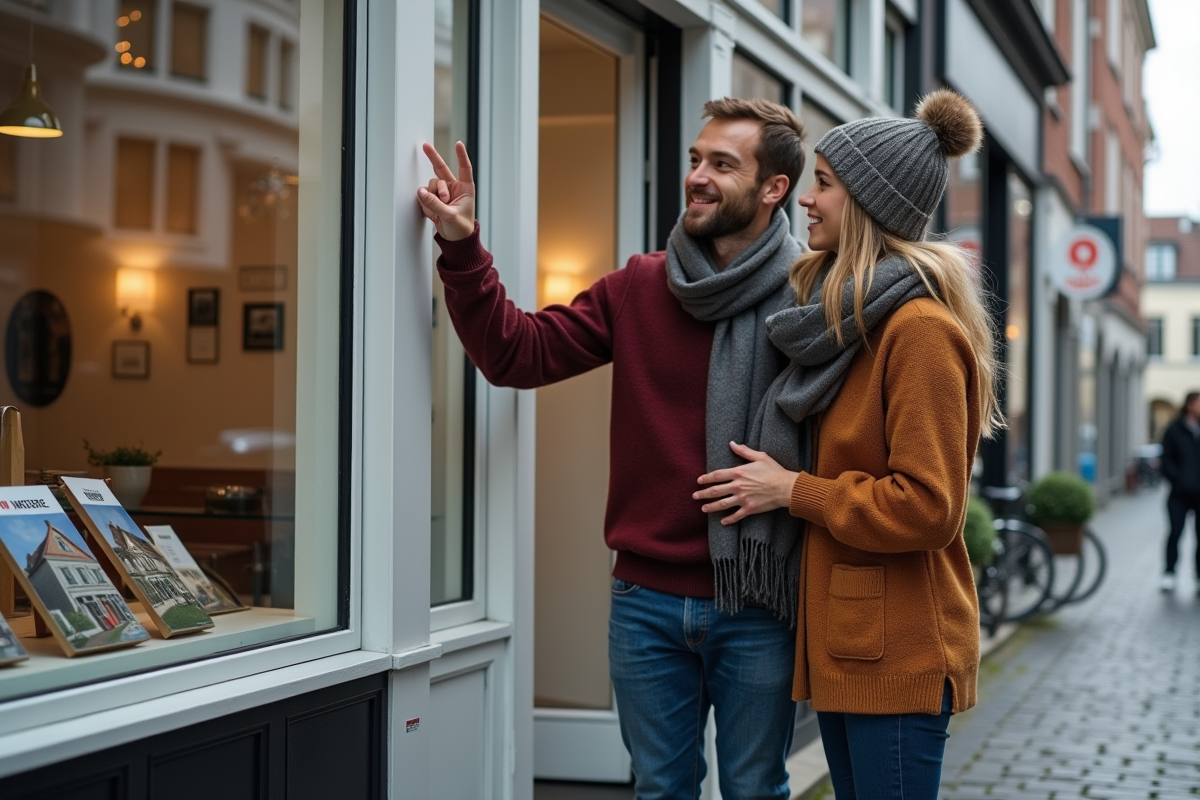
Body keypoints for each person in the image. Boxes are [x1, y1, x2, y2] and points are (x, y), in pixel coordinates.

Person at [416, 98, 807, 799]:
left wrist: (796, 484)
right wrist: (461, 243)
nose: (697, 176)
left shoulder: (815, 296)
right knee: (659, 789)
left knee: (756, 790)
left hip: (759, 601)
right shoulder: (640, 285)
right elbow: (517, 353)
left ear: (774, 187)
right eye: (696, 159)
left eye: (723, 164)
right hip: (645, 601)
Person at [692, 89, 1002, 799]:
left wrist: (792, 490)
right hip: (853, 643)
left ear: (867, 202)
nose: (806, 199)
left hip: (898, 650)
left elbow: (928, 508)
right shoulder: (851, 323)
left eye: (825, 184)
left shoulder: (917, 331)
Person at [1158, 391, 1200, 592]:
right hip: (1178, 494)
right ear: (1190, 405)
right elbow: (1165, 459)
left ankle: (1199, 577)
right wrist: (1179, 480)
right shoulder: (1174, 430)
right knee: (1175, 533)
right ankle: (1169, 573)